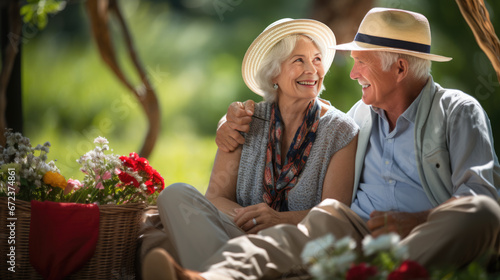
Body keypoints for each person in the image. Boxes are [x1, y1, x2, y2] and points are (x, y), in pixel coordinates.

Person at [143, 8, 500, 280]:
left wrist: (416, 220)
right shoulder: (361, 113)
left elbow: (481, 196)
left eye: (362, 63)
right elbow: (309, 113)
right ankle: (209, 277)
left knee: (484, 213)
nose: (352, 72)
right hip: (354, 227)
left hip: (423, 234)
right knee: (307, 227)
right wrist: (228, 122)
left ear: (400, 69)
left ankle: (386, 271)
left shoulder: (458, 111)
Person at [147, 18, 359, 273]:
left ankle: (211, 273)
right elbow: (215, 197)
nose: (312, 70)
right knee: (175, 195)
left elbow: (333, 218)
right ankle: (226, 268)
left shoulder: (340, 131)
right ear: (273, 73)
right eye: (298, 60)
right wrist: (253, 220)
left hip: (298, 244)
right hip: (238, 234)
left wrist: (278, 220)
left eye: (316, 59)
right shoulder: (245, 120)